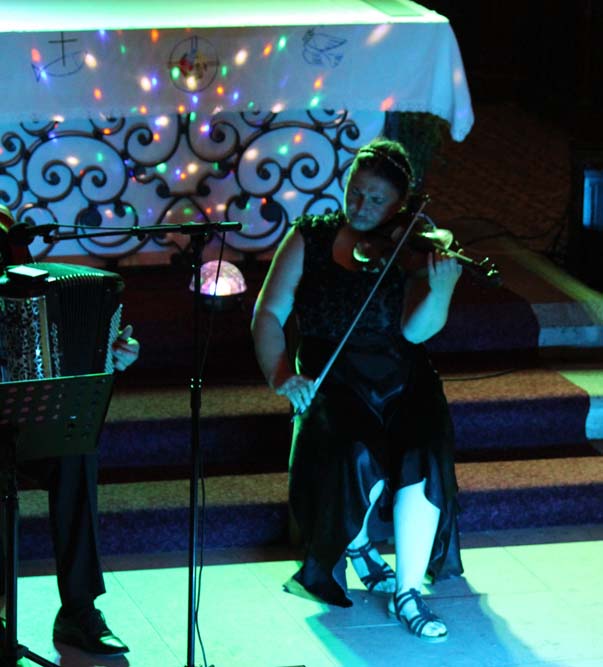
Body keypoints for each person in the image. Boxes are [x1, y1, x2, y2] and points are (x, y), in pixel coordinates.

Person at [251, 138, 463, 643]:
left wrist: (442, 290)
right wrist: (282, 375)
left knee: (422, 450)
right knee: (352, 447)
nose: (362, 207)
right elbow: (269, 313)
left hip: (402, 375)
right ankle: (358, 544)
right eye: (356, 192)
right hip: (333, 376)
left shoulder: (409, 247)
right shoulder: (310, 237)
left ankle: (408, 592)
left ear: (400, 206)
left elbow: (416, 332)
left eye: (377, 200)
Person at [0, 204, 139, 656]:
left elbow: (51, 337)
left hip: (19, 418)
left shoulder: (13, 244)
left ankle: (78, 609)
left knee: (75, 450)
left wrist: (113, 351)